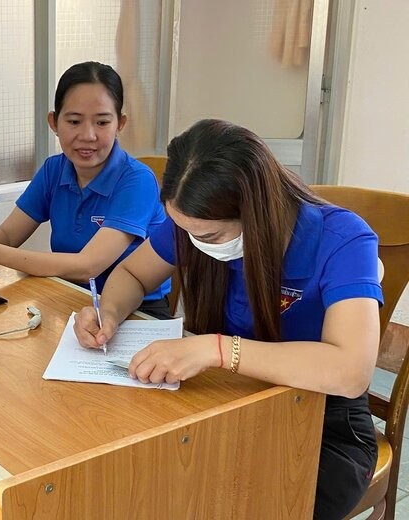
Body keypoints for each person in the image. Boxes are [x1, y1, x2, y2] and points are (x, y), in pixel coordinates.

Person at [73, 119, 381, 520]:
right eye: (185, 231)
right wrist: (108, 313)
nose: (195, 243)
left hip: (320, 427)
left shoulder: (343, 239)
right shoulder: (193, 225)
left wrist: (218, 349)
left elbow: (350, 370)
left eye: (211, 236)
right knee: (134, 484)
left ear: (257, 210)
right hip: (224, 402)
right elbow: (132, 273)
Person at [0, 61, 172, 319]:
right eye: (74, 121)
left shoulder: (138, 181)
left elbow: (88, 266)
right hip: (70, 297)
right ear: (54, 122)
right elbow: (7, 235)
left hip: (136, 313)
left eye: (102, 123)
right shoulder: (54, 170)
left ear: (120, 124)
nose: (88, 135)